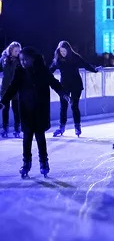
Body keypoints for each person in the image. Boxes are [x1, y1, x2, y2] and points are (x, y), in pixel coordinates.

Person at [0, 47, 69, 178]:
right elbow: (12, 87)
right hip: (26, 110)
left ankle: (44, 162)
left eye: (25, 59)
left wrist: (63, 93)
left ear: (33, 59)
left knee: (40, 137)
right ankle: (26, 163)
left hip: (40, 109)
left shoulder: (42, 70)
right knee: (27, 138)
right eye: (21, 60)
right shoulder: (20, 71)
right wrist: (3, 101)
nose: (23, 62)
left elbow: (54, 83)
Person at [49, 40, 101, 137]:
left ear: (68, 50)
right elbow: (50, 70)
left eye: (64, 51)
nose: (62, 53)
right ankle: (62, 127)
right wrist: (43, 76)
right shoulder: (58, 59)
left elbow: (85, 65)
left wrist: (94, 70)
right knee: (63, 106)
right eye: (61, 51)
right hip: (64, 86)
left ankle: (77, 126)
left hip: (76, 85)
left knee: (74, 105)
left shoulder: (75, 57)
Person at [0, 41, 22, 138]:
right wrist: (10, 61)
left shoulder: (19, 60)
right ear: (10, 50)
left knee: (16, 109)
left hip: (15, 88)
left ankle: (17, 129)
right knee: (5, 109)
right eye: (15, 51)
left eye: (18, 51)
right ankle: (5, 128)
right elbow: (7, 72)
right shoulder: (4, 59)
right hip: (5, 88)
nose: (17, 53)